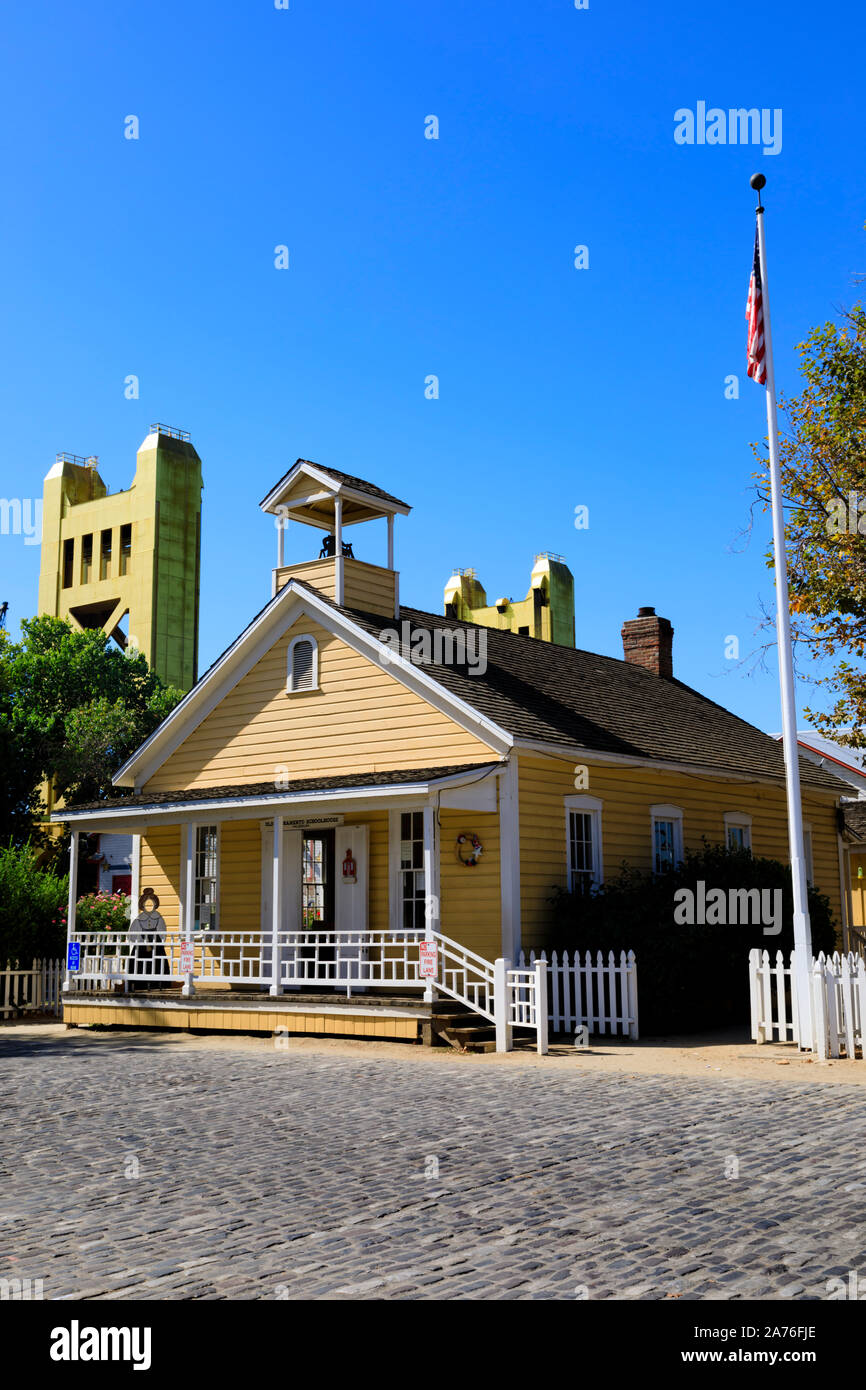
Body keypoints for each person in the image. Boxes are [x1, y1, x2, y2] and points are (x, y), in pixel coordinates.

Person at [127, 889, 170, 991]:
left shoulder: (158, 917)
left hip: (156, 944)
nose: (149, 906)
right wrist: (139, 940)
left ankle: (158, 984)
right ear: (142, 905)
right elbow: (132, 934)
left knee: (157, 964)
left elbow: (163, 931)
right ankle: (139, 984)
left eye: (151, 903)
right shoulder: (139, 918)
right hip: (141, 945)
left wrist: (159, 941)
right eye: (147, 904)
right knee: (140, 964)